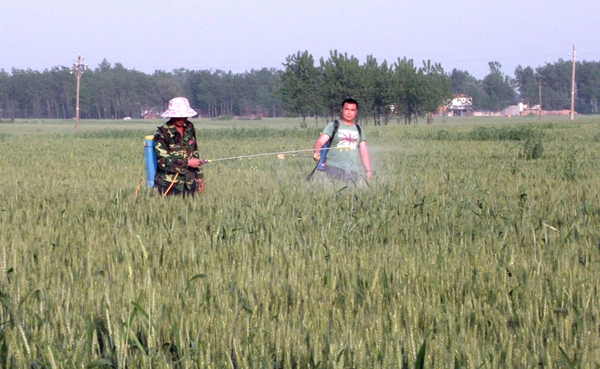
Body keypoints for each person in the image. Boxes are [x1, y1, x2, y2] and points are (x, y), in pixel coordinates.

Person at [154, 97, 205, 197]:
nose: (182, 119)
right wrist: (188, 163)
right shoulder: (162, 133)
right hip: (169, 185)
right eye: (178, 116)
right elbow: (163, 163)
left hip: (189, 183)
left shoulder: (189, 127)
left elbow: (194, 151)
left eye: (184, 116)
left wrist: (199, 176)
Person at [313, 98, 372, 182]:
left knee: (351, 193)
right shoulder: (333, 126)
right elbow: (319, 142)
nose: (349, 112)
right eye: (346, 109)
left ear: (356, 112)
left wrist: (368, 170)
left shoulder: (359, 129)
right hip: (333, 167)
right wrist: (317, 152)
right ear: (341, 110)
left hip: (352, 170)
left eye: (352, 110)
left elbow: (363, 151)